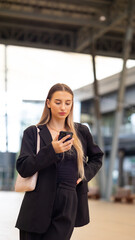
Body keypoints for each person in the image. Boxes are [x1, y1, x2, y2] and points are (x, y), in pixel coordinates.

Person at [15, 83, 104, 240]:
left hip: (67, 202)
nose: (63, 107)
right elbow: (24, 167)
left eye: (68, 103)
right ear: (48, 103)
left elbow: (97, 157)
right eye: (58, 102)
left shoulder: (81, 131)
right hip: (37, 204)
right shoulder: (33, 132)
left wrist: (83, 176)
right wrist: (51, 150)